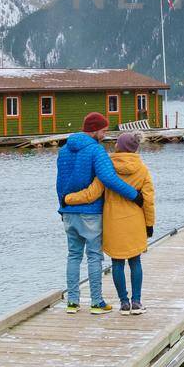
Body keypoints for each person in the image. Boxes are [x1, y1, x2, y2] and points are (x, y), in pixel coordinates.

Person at [56, 112, 141, 314]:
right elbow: (108, 178)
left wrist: (62, 206)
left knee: (73, 256)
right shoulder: (96, 151)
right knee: (94, 256)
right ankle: (96, 302)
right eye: (103, 130)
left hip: (68, 211)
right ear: (94, 130)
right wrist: (134, 195)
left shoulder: (64, 150)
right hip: (91, 212)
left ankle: (72, 302)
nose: (104, 135)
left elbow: (60, 182)